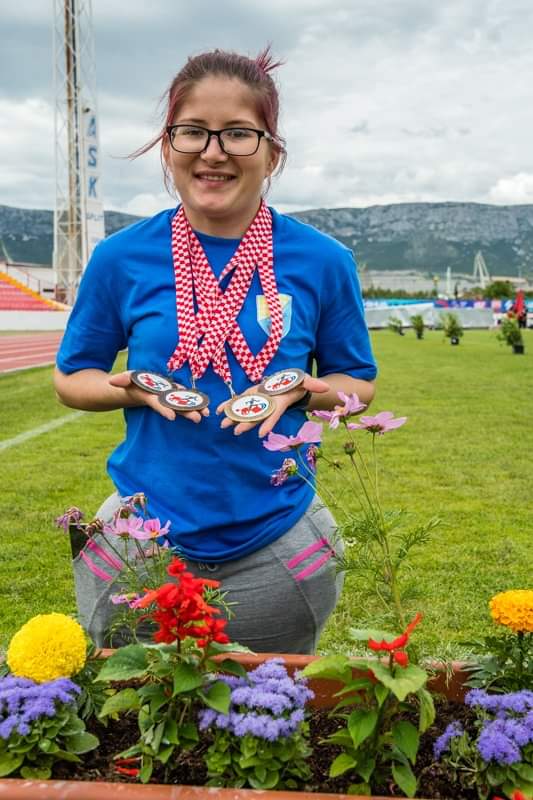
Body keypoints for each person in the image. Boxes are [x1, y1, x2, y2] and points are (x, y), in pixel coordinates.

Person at [54, 47, 377, 654]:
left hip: (280, 542)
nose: (213, 151)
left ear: (272, 152)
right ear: (168, 146)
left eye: (237, 133)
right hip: (139, 542)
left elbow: (356, 381)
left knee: (270, 702)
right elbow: (73, 377)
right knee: (131, 700)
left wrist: (299, 390)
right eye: (193, 131)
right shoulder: (121, 258)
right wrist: (133, 388)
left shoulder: (323, 261)